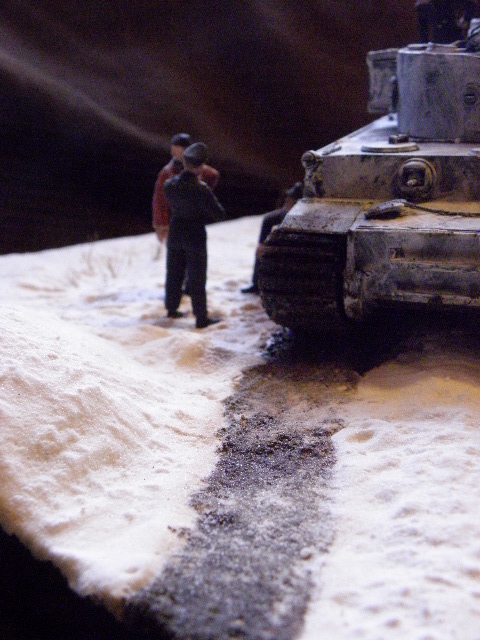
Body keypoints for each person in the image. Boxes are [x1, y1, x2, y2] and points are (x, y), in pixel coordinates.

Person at [163, 142, 226, 329]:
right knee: (197, 276)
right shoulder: (201, 189)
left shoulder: (169, 185)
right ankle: (200, 316)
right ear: (201, 166)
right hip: (194, 235)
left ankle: (171, 308)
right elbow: (219, 214)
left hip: (175, 232)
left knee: (174, 272)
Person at [152, 133, 220, 246]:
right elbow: (160, 200)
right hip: (174, 220)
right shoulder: (167, 173)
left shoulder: (199, 170)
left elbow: (212, 175)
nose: (174, 152)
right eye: (174, 149)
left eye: (179, 149)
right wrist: (161, 223)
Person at [241, 181, 303, 294]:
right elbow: (269, 218)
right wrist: (262, 243)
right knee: (261, 252)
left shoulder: (300, 217)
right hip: (279, 244)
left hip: (293, 247)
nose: (287, 200)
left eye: (290, 198)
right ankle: (256, 284)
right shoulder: (282, 213)